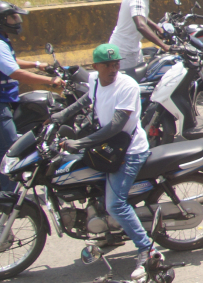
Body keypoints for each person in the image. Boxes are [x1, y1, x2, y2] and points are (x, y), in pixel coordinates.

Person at [59, 44, 155, 266]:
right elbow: (87, 99)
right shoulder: (94, 79)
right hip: (107, 146)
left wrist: (79, 142)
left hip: (129, 150)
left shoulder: (127, 85)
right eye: (107, 65)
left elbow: (116, 125)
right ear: (95, 66)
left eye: (116, 64)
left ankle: (145, 248)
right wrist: (61, 114)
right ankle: (109, 233)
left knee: (115, 204)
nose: (113, 68)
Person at [0, 2, 65, 189]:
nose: (17, 21)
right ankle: (10, 195)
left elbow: (10, 60)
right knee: (8, 149)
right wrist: (49, 81)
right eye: (12, 17)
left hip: (4, 100)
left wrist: (38, 64)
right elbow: (14, 72)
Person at [108, 0, 173, 73]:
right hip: (123, 53)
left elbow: (141, 16)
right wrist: (164, 46)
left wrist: (157, 28)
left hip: (134, 49)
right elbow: (141, 25)